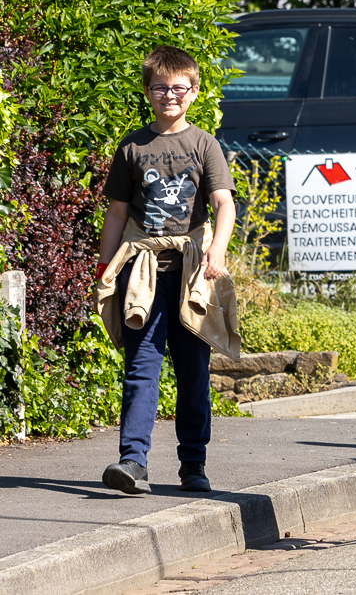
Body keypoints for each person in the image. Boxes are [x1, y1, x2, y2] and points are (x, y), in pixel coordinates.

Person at [94, 47, 240, 495]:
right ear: (148, 91)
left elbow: (223, 204)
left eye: (179, 87)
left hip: (192, 272)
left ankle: (193, 464)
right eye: (160, 87)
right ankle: (132, 461)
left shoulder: (204, 144)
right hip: (144, 272)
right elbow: (117, 214)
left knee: (193, 369)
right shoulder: (132, 146)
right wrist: (105, 269)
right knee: (141, 367)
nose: (169, 95)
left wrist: (216, 249)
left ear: (194, 92)